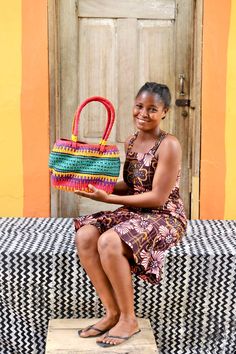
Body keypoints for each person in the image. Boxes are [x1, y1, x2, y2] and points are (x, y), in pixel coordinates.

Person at [74, 82, 187, 348]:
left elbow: (158, 197)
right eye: (139, 106)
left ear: (165, 112)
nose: (143, 113)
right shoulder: (131, 141)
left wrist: (107, 198)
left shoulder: (169, 145)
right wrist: (94, 185)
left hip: (165, 216)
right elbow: (130, 185)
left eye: (152, 109)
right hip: (136, 210)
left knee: (109, 241)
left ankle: (129, 318)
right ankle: (112, 312)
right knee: (86, 235)